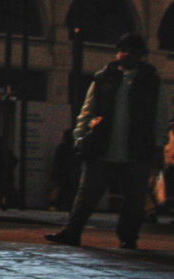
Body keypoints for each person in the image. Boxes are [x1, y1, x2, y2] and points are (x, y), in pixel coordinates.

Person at [46, 33, 170, 250]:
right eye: (123, 50)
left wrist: (158, 144)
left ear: (140, 55)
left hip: (136, 148)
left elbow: (160, 116)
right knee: (87, 194)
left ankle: (127, 237)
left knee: (134, 198)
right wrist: (80, 135)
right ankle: (73, 231)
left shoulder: (151, 81)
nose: (126, 54)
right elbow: (88, 109)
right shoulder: (104, 78)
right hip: (104, 146)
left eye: (131, 51)